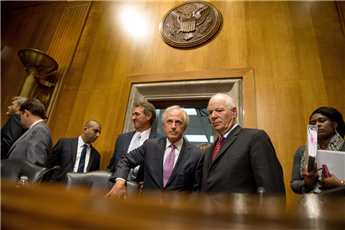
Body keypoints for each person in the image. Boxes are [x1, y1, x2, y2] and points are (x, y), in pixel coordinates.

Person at [106, 105, 204, 199]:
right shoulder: (150, 145)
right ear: (163, 126)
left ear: (185, 127)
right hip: (148, 207)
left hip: (176, 211)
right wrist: (120, 182)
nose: (173, 126)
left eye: (178, 122)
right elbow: (125, 160)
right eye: (169, 121)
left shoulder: (196, 155)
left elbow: (196, 190)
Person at [201, 93, 285, 194]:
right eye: (210, 112)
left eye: (219, 110)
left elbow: (271, 187)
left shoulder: (254, 138)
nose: (213, 116)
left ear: (234, 112)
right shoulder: (209, 151)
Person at [291, 107, 345, 194]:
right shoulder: (301, 151)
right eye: (313, 123)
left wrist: (340, 184)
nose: (317, 124)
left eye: (322, 121)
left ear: (334, 124)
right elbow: (294, 183)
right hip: (312, 203)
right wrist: (307, 184)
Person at [106, 102, 162, 182]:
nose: (133, 117)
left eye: (137, 114)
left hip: (141, 191)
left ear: (148, 116)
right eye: (133, 114)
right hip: (116, 186)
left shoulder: (159, 141)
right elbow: (112, 166)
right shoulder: (122, 138)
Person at [6, 98, 53, 167]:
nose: (20, 120)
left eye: (20, 116)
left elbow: (33, 164)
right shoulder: (36, 129)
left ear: (27, 113)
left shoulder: (40, 130)